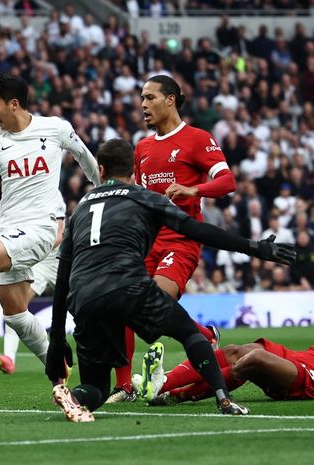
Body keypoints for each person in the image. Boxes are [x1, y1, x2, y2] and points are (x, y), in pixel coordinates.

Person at [45, 139, 295, 422]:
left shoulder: (79, 208)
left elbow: (63, 274)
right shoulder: (144, 197)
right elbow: (198, 230)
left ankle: (75, 397)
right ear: (134, 170)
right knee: (189, 332)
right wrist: (255, 247)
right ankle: (223, 398)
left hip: (84, 296)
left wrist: (56, 338)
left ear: (100, 170)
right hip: (130, 286)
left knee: (97, 388)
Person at [0, 73, 100, 372]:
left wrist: (103, 187)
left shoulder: (55, 128)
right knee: (15, 314)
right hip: (9, 228)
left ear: (13, 104)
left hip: (42, 227)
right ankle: (59, 375)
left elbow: (85, 157)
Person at [108, 74, 238, 403]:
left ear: (171, 99)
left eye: (150, 97)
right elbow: (142, 195)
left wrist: (195, 189)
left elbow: (227, 181)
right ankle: (125, 385)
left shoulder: (196, 138)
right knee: (123, 303)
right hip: (147, 241)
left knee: (152, 302)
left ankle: (199, 339)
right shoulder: (143, 147)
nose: (143, 105)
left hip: (181, 239)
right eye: (141, 98)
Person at [0, 191, 66, 374]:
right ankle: (9, 358)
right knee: (16, 307)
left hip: (57, 260)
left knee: (81, 306)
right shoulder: (20, 196)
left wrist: (33, 247)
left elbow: (60, 234)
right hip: (36, 260)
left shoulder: (52, 193)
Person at [141, 338, 314, 405]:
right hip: (299, 356)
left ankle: (177, 395)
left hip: (306, 377)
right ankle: (161, 383)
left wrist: (234, 371)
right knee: (236, 350)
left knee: (254, 359)